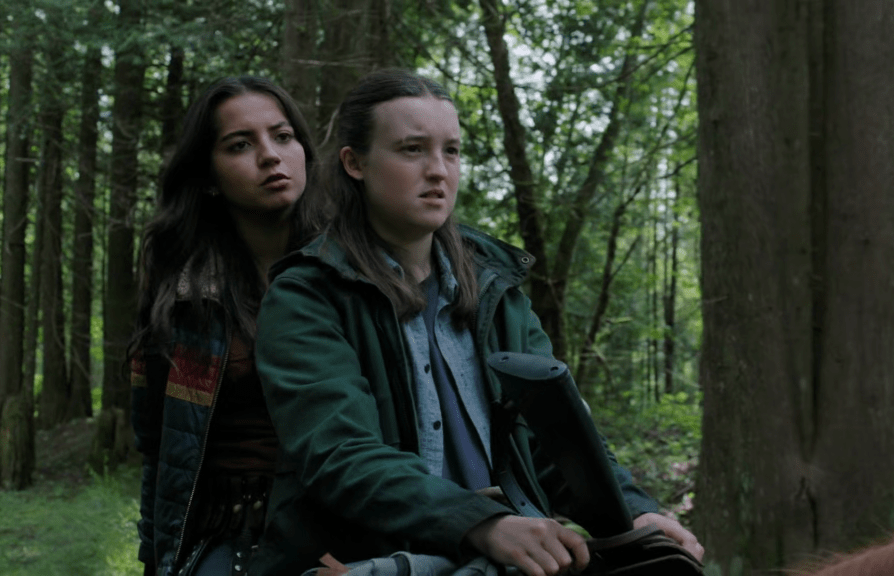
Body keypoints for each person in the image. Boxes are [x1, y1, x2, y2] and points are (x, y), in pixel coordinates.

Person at [249, 68, 704, 576]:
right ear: (355, 163)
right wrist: (482, 523)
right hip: (364, 561)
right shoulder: (306, 295)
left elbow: (555, 440)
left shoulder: (496, 290)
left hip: (503, 558)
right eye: (412, 150)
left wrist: (634, 513)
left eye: (452, 151)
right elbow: (339, 455)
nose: (438, 170)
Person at [129, 76, 328, 576]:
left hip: (337, 528)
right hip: (225, 534)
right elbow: (159, 446)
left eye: (283, 136)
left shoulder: (351, 272)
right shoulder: (182, 288)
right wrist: (156, 559)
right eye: (241, 145)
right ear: (209, 176)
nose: (270, 156)